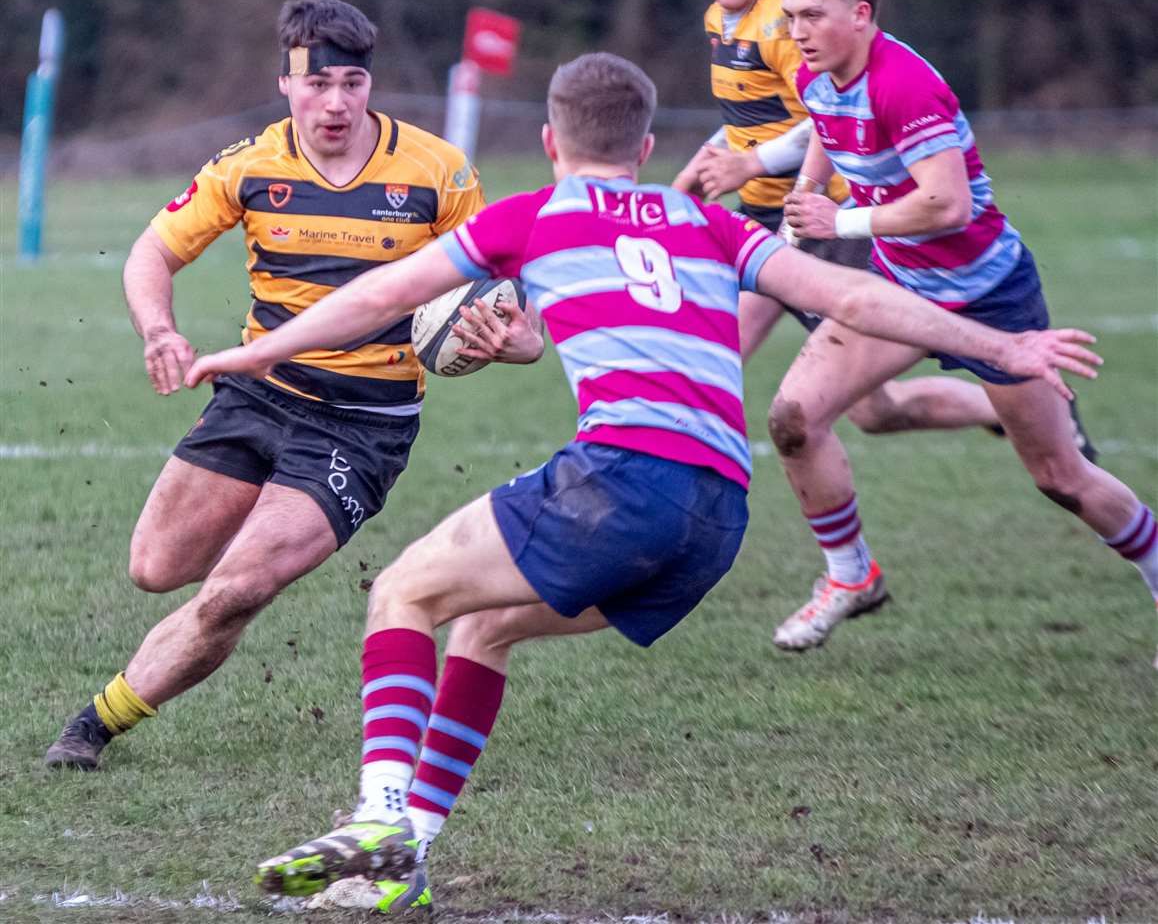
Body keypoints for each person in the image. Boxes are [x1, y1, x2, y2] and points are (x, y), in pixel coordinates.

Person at [183, 53, 1099, 910]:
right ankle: (408, 861)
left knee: (401, 592)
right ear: (649, 148)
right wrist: (1003, 344)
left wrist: (251, 351)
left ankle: (378, 814)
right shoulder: (708, 221)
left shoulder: (531, 216)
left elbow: (377, 298)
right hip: (717, 516)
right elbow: (853, 297)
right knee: (486, 627)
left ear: (550, 142)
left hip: (621, 480)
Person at [43, 0, 543, 773]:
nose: (336, 103)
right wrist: (159, 329)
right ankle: (243, 568)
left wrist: (514, 343)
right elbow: (152, 251)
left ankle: (93, 725)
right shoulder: (250, 165)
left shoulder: (439, 172)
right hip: (256, 396)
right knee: (155, 568)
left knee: (234, 591)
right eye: (318, 85)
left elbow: (514, 314)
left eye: (352, 82)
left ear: (371, 83)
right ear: (286, 84)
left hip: (363, 425)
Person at [765, 0, 1158, 654]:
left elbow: (947, 205)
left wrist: (839, 217)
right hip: (897, 287)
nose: (797, 31)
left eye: (811, 14)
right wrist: (807, 188)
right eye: (791, 14)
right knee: (795, 417)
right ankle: (851, 576)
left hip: (989, 293)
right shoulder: (816, 72)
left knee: (1061, 477)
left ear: (861, 12)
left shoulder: (904, 82)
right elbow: (825, 124)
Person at [672, 0, 1009, 450]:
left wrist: (754, 163)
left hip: (822, 223)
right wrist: (693, 177)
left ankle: (1009, 402)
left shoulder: (783, 26)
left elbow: (819, 119)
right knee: (717, 361)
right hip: (765, 219)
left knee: (864, 409)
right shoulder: (721, 19)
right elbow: (748, 118)